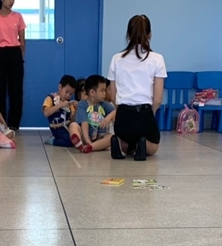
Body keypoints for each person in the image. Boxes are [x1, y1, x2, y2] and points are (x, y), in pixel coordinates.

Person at [107, 14, 167, 160]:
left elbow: (113, 95)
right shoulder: (157, 59)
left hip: (123, 114)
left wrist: (121, 110)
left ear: (128, 35)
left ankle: (118, 142)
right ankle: (142, 144)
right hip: (144, 112)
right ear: (150, 35)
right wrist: (150, 113)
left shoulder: (116, 59)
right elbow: (158, 99)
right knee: (153, 146)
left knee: (126, 145)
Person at [0, 0, 26, 130]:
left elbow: (22, 41)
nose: (11, 1)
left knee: (16, 89)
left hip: (15, 53)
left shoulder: (18, 16)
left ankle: (14, 124)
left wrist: (21, 56)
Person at [69, 75, 116, 153]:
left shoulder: (104, 104)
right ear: (92, 92)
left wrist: (109, 117)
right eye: (102, 91)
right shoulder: (83, 104)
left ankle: (91, 147)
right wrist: (87, 139)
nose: (104, 93)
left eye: (105, 91)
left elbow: (116, 111)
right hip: (84, 135)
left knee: (111, 137)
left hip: (100, 137)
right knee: (73, 125)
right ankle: (79, 142)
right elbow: (84, 122)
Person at [42, 75, 78, 147]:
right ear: (60, 87)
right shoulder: (50, 98)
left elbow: (73, 119)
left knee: (78, 137)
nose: (68, 95)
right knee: (69, 141)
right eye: (66, 92)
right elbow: (46, 113)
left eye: (71, 94)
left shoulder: (69, 103)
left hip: (68, 127)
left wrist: (77, 109)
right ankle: (53, 141)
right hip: (57, 128)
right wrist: (60, 105)